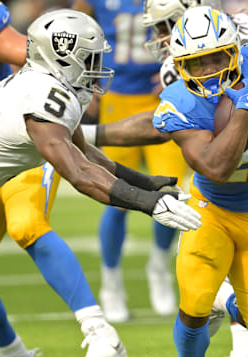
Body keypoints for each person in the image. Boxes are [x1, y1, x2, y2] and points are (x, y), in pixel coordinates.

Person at [83, 4, 248, 357]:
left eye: (216, 59)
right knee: (199, 298)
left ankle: (226, 307)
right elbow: (215, 166)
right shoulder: (184, 95)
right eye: (196, 63)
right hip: (214, 206)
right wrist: (245, 108)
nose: (208, 71)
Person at [0, 8, 202, 357]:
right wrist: (149, 205)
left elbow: (90, 157)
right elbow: (79, 175)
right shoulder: (44, 96)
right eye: (89, 58)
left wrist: (150, 185)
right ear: (62, 55)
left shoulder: (51, 86)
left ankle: (27, 353)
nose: (96, 66)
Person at [72, 0, 190, 323]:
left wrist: (179, 71)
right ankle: (111, 285)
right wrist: (86, 74)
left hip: (162, 96)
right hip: (117, 96)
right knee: (115, 195)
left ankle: (160, 266)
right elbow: (77, 25)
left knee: (170, 187)